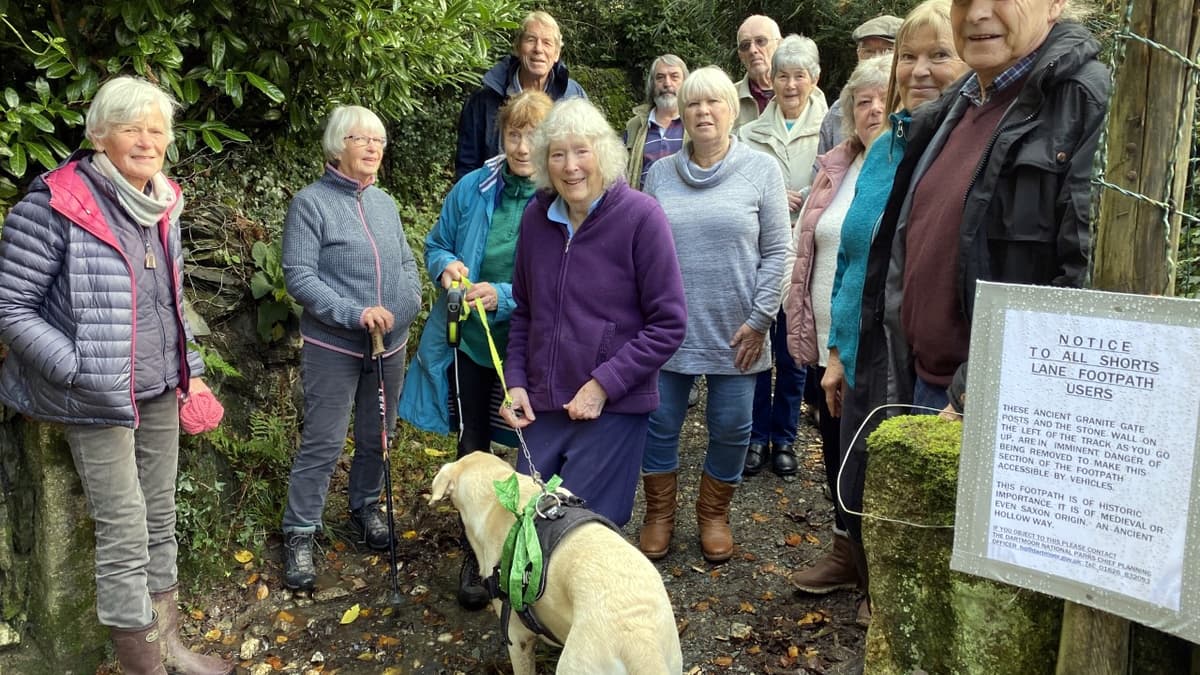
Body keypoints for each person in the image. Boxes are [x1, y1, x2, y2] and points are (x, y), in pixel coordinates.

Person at [0, 76, 230, 674]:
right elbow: (11, 306)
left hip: (158, 386)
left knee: (160, 519)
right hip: (95, 396)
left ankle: (171, 645)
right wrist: (77, 368)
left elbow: (169, 301)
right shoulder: (54, 203)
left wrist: (191, 371)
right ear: (100, 135)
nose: (147, 140)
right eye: (132, 128)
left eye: (157, 129)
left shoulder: (162, 202)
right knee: (124, 529)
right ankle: (141, 664)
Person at [790, 1, 971, 627]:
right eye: (908, 58)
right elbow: (852, 260)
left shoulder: (962, 141)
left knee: (906, 473)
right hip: (868, 342)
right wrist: (838, 351)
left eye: (939, 55)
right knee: (860, 458)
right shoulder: (889, 146)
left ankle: (889, 586)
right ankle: (864, 566)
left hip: (931, 350)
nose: (919, 71)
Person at [397, 90, 554, 610]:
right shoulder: (473, 187)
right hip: (471, 341)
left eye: (533, 135)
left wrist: (503, 295)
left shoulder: (558, 195)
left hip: (530, 347)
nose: (522, 146)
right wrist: (446, 268)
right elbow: (437, 243)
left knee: (529, 445)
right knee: (473, 443)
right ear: (500, 135)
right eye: (513, 134)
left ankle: (528, 551)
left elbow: (562, 279)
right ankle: (477, 551)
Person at [499, 98, 687, 530]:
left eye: (581, 151)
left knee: (583, 532)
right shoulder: (535, 218)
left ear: (602, 153)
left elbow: (668, 324)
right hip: (541, 405)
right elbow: (525, 312)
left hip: (612, 409)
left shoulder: (642, 218)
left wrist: (604, 384)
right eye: (557, 154)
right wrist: (516, 382)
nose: (570, 167)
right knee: (526, 525)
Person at [639, 67, 791, 563]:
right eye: (693, 103)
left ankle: (713, 516)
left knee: (732, 427)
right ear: (681, 114)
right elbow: (642, 251)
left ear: (732, 110)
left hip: (739, 330)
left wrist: (761, 318)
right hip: (669, 329)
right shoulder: (659, 174)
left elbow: (779, 251)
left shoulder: (762, 169)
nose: (703, 112)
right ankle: (659, 514)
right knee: (659, 423)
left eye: (714, 102)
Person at [281, 106, 422, 592]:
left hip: (390, 345)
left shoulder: (385, 204)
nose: (372, 147)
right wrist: (355, 313)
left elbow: (407, 268)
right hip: (334, 346)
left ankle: (365, 507)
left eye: (378, 140)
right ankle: (300, 530)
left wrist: (400, 311)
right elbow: (299, 276)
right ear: (337, 146)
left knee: (378, 433)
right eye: (361, 139)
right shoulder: (310, 204)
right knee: (323, 440)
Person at [784, 52, 892, 568]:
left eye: (884, 99)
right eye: (863, 102)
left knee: (871, 454)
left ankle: (875, 568)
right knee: (834, 447)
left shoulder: (904, 170)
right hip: (824, 338)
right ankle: (845, 548)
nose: (874, 110)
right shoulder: (837, 167)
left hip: (873, 344)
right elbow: (804, 243)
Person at [738, 34, 827, 478]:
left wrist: (806, 196)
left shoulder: (831, 126)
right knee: (757, 348)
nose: (791, 85)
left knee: (794, 351)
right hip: (761, 251)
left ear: (815, 79)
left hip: (808, 253)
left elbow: (839, 178)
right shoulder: (748, 133)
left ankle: (785, 437)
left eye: (799, 76)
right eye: (783, 76)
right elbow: (739, 185)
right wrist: (772, 197)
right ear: (770, 80)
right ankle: (755, 437)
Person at [455, 11, 587, 179]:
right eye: (531, 40)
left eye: (547, 43)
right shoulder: (484, 99)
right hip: (496, 193)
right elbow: (467, 165)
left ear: (556, 54)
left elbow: (587, 153)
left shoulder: (573, 96)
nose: (538, 49)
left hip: (556, 193)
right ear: (517, 48)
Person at [816, 14, 903, 156]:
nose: (876, 58)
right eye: (869, 51)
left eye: (887, 50)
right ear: (858, 55)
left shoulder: (915, 105)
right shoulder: (838, 111)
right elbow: (823, 164)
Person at [624, 54, 689, 191]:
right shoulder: (635, 126)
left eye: (674, 77)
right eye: (660, 77)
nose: (667, 83)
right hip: (643, 203)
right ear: (652, 84)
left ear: (686, 83)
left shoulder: (694, 123)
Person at [734, 15, 783, 128]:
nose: (752, 50)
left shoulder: (804, 93)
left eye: (760, 41)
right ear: (741, 56)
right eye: (745, 45)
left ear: (779, 45)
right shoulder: (728, 99)